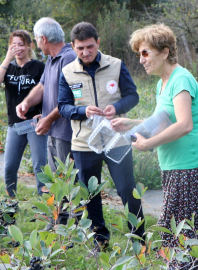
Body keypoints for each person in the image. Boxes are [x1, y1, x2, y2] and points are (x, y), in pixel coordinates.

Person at [111, 23, 198, 270]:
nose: (141, 60)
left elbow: (185, 125)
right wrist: (132, 123)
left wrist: (148, 144)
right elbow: (166, 121)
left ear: (165, 52)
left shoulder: (181, 79)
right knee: (180, 231)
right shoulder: (163, 83)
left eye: (145, 53)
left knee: (177, 231)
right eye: (139, 54)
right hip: (174, 165)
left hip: (189, 164)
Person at [57, 22, 144, 252]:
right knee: (90, 195)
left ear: (98, 43)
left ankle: (139, 239)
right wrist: (82, 111)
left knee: (127, 189)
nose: (85, 52)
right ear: (73, 48)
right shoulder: (67, 72)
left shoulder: (115, 65)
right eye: (80, 48)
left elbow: (132, 96)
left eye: (90, 47)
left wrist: (116, 107)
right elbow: (63, 107)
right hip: (84, 143)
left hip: (117, 139)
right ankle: (100, 240)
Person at [15, 18, 78, 228]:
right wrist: (26, 103)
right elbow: (42, 87)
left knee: (70, 181)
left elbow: (73, 100)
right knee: (56, 181)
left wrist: (49, 117)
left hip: (67, 132)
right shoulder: (51, 59)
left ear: (43, 38)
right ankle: (58, 223)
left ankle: (76, 228)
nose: (36, 43)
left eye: (36, 39)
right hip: (53, 130)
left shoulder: (68, 58)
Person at [0, 30, 47, 197]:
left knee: (39, 166)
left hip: (35, 124)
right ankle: (10, 203)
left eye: (21, 44)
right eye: (14, 45)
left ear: (29, 46)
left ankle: (45, 205)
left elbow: (48, 92)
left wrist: (45, 114)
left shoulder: (39, 67)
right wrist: (7, 59)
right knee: (9, 167)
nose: (17, 48)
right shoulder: (8, 67)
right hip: (15, 125)